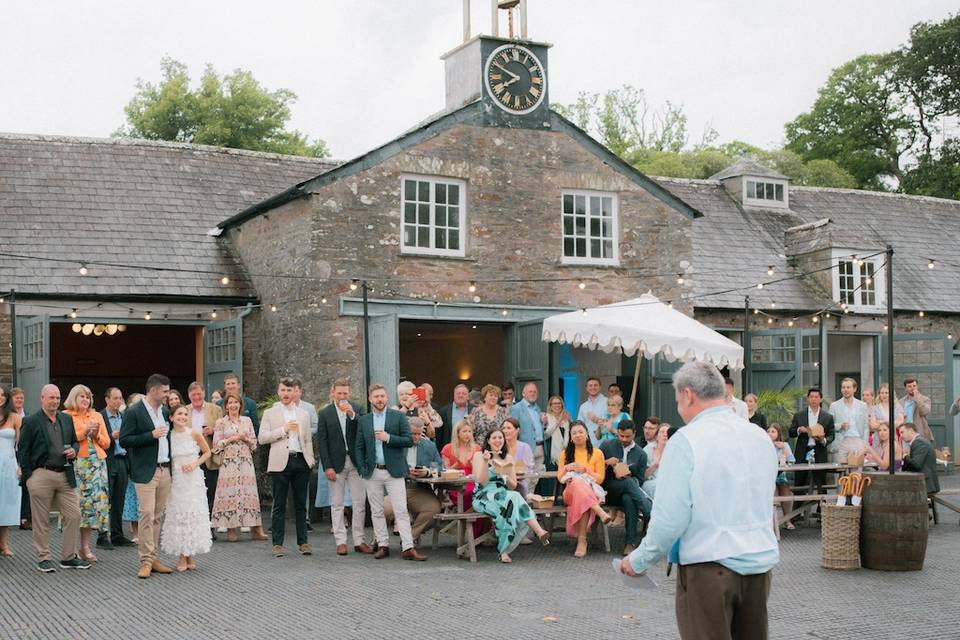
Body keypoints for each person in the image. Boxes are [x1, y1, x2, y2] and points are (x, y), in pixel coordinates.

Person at [621, 361, 779, 640]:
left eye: (677, 399)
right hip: (760, 564)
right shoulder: (759, 436)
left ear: (688, 394)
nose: (679, 408)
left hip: (709, 566)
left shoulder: (687, 440)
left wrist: (640, 560)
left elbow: (670, 517)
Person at [17, 384, 90, 572]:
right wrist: (28, 477)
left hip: (65, 473)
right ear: (42, 398)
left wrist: (74, 450)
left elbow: (75, 440)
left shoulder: (66, 419)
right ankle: (44, 557)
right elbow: (23, 451)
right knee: (41, 519)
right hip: (41, 473)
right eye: (51, 398)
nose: (55, 401)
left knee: (74, 515)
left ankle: (68, 557)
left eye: (57, 398)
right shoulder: (32, 421)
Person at [355, 383, 427, 561]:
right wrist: (362, 468)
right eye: (376, 396)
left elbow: (409, 440)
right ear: (371, 399)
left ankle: (408, 547)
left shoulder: (397, 417)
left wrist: (388, 438)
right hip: (373, 472)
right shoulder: (364, 420)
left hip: (393, 470)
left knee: (401, 510)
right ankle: (383, 545)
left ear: (387, 398)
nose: (380, 399)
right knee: (377, 511)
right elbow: (359, 446)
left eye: (382, 396)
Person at [119, 373, 174, 579]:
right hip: (145, 471)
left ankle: (154, 558)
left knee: (158, 516)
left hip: (164, 468)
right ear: (153, 390)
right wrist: (150, 435)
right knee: (146, 515)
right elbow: (124, 440)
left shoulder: (165, 411)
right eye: (165, 391)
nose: (168, 395)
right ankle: (145, 561)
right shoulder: (134, 411)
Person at [471, 427, 551, 563]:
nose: (497, 440)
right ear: (488, 441)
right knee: (513, 500)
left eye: (500, 438)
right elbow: (480, 481)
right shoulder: (480, 455)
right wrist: (486, 462)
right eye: (494, 438)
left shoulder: (508, 457)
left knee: (512, 498)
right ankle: (537, 531)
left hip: (503, 494)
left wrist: (505, 475)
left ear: (504, 440)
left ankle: (506, 550)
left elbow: (513, 485)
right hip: (484, 496)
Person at [258, 377, 314, 557]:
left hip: (300, 461)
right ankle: (277, 544)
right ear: (278, 392)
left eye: (289, 391)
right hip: (280, 462)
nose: (286, 394)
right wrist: (283, 430)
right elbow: (262, 438)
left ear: (295, 392)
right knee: (279, 505)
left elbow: (307, 440)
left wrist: (310, 460)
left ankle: (303, 542)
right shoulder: (270, 413)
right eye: (283, 390)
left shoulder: (303, 414)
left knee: (300, 505)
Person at [316, 378, 371, 556]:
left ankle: (359, 540)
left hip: (355, 462)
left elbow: (365, 428)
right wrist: (327, 466)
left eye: (345, 393)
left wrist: (352, 415)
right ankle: (340, 541)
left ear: (349, 393)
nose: (342, 396)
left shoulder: (356, 408)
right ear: (333, 393)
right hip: (336, 463)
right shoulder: (325, 413)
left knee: (359, 503)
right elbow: (322, 443)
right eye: (339, 393)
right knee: (337, 504)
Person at [160, 405, 213, 571]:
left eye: (185, 414)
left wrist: (194, 464)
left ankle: (186, 555)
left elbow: (207, 452)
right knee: (179, 515)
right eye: (179, 414)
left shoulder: (194, 433)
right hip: (176, 480)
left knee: (191, 514)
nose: (183, 416)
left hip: (193, 480)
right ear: (171, 417)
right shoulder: (168, 436)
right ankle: (185, 555)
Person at [210, 392, 268, 541]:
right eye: (230, 403)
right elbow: (216, 445)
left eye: (236, 402)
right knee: (230, 493)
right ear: (226, 406)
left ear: (240, 405)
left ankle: (256, 528)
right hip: (229, 461)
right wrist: (233, 438)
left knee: (248, 493)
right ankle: (231, 528)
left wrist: (246, 439)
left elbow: (254, 444)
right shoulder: (221, 423)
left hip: (245, 461)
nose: (233, 405)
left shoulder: (247, 421)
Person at [63, 384, 111, 562]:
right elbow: (66, 439)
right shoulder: (66, 415)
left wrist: (97, 434)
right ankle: (72, 548)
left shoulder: (97, 415)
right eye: (81, 396)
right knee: (76, 507)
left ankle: (85, 547)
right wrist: (85, 432)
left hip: (97, 466)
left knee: (92, 509)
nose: (85, 400)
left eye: (88, 396)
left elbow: (107, 443)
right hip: (77, 466)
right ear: (74, 398)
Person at [382, 418, 443, 545]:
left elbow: (439, 466)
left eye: (418, 434)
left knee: (434, 509)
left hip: (419, 488)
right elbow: (386, 464)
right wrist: (405, 472)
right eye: (412, 434)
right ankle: (379, 539)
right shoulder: (396, 444)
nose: (416, 437)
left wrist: (427, 472)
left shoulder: (429, 446)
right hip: (397, 486)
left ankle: (409, 538)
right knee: (384, 509)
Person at [557, 421, 610, 558]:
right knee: (578, 484)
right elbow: (559, 476)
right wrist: (567, 471)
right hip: (570, 492)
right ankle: (599, 511)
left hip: (590, 491)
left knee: (583, 496)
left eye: (580, 432)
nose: (577, 435)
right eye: (574, 433)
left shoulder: (597, 453)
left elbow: (600, 479)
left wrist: (586, 470)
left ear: (587, 434)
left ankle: (582, 541)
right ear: (570, 436)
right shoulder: (565, 454)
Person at [599, 419, 649, 555]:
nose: (624, 439)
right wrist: (605, 463)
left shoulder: (641, 454)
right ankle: (649, 513)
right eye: (621, 435)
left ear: (634, 434)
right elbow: (594, 469)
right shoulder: (607, 445)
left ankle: (630, 543)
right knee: (629, 484)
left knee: (629, 497)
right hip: (608, 490)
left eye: (627, 436)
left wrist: (628, 476)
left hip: (628, 492)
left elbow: (640, 480)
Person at [186, 381, 224, 541]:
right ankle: (193, 527)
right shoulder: (184, 411)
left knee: (210, 492)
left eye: (199, 394)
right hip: (190, 456)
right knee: (192, 493)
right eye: (193, 394)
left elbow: (223, 431)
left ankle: (210, 527)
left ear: (203, 394)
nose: (196, 397)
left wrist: (213, 430)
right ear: (189, 396)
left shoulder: (215, 409)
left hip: (209, 455)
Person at [99, 387, 133, 548]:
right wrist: (111, 438)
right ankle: (103, 535)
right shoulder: (100, 417)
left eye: (120, 398)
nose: (118, 401)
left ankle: (118, 534)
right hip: (107, 459)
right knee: (106, 500)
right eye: (115, 398)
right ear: (107, 400)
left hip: (122, 460)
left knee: (119, 500)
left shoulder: (125, 417)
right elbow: (97, 441)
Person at [788, 388, 835, 491]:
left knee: (821, 484)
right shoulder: (799, 415)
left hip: (819, 451)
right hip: (802, 451)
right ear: (808, 399)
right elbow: (791, 432)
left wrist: (823, 440)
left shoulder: (828, 417)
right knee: (799, 483)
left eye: (816, 397)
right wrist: (799, 430)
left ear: (821, 399)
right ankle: (798, 506)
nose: (814, 399)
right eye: (811, 397)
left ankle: (821, 506)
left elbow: (832, 435)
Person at [509, 382, 547, 483]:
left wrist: (544, 423)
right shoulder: (516, 408)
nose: (533, 393)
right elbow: (512, 429)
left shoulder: (537, 408)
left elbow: (537, 428)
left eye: (535, 392)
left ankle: (530, 498)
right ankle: (524, 499)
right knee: (524, 479)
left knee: (535, 479)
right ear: (523, 393)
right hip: (525, 448)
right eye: (530, 391)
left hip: (540, 447)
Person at [440, 420, 481, 513]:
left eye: (470, 431)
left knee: (478, 493)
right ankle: (467, 521)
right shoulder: (448, 448)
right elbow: (443, 472)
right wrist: (455, 466)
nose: (468, 434)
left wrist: (473, 465)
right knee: (470, 493)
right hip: (455, 484)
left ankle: (475, 524)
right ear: (457, 433)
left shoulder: (477, 448)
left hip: (474, 482)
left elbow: (480, 472)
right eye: (464, 431)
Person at [0, 385, 22, 556]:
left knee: (6, 503)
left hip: (8, 465)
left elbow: (21, 445)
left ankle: (3, 544)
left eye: (2, 395)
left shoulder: (14, 417)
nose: (0, 397)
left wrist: (21, 465)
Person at [827, 377, 868, 463]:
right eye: (843, 387)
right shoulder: (834, 405)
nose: (845, 390)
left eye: (848, 387)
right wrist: (840, 425)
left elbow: (865, 426)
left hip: (857, 441)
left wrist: (864, 444)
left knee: (856, 474)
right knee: (840, 474)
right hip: (841, 443)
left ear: (854, 389)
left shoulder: (862, 405)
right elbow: (829, 426)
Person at [121, 392, 143, 545]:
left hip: (147, 464)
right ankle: (136, 532)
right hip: (131, 464)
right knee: (134, 500)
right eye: (135, 403)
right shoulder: (127, 420)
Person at [768, 424, 796, 530]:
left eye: (773, 431)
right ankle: (774, 523)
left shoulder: (785, 445)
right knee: (773, 492)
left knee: (785, 492)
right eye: (769, 431)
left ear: (778, 433)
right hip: (769, 476)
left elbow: (792, 460)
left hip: (781, 475)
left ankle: (787, 520)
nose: (770, 433)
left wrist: (783, 448)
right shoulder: (764, 444)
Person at [901, 422, 940, 495]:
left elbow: (916, 465)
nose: (901, 436)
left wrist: (905, 456)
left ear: (910, 430)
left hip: (925, 484)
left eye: (902, 432)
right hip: (923, 482)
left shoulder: (919, 442)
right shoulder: (919, 441)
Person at [11, 387, 30, 532]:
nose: (19, 400)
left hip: (24, 454)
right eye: (16, 397)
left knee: (25, 485)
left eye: (21, 398)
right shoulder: (7, 416)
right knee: (11, 485)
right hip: (10, 453)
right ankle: (11, 516)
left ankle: (24, 517)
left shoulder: (28, 416)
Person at [500, 418, 534, 495]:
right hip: (502, 483)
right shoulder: (499, 447)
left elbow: (528, 469)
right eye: (504, 428)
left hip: (520, 483)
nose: (505, 431)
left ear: (517, 430)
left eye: (509, 428)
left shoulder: (525, 447)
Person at [438, 384, 471, 451]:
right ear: (454, 395)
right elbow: (439, 436)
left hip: (469, 449)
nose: (460, 395)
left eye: (463, 394)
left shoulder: (474, 410)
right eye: (458, 393)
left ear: (468, 396)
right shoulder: (443, 411)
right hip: (450, 450)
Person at [899, 379, 933, 443]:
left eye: (914, 386)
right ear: (905, 388)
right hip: (904, 434)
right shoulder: (901, 402)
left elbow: (925, 412)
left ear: (917, 387)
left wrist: (917, 398)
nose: (912, 388)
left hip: (919, 433)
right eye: (909, 386)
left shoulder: (925, 399)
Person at [576, 377, 607, 446]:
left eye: (595, 385)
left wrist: (596, 419)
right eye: (590, 385)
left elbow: (613, 422)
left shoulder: (608, 402)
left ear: (600, 387)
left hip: (605, 443)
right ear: (586, 388)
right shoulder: (583, 407)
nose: (593, 388)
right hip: (588, 444)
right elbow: (579, 426)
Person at [643, 424, 670, 499]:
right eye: (662, 432)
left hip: (669, 483)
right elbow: (642, 475)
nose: (665, 434)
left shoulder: (674, 450)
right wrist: (654, 465)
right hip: (651, 483)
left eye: (667, 432)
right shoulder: (648, 449)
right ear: (656, 436)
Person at [543, 395, 571, 466]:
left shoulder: (567, 417)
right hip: (551, 453)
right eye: (554, 403)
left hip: (566, 452)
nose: (557, 405)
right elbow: (545, 435)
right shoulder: (547, 417)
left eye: (559, 403)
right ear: (550, 406)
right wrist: (557, 423)